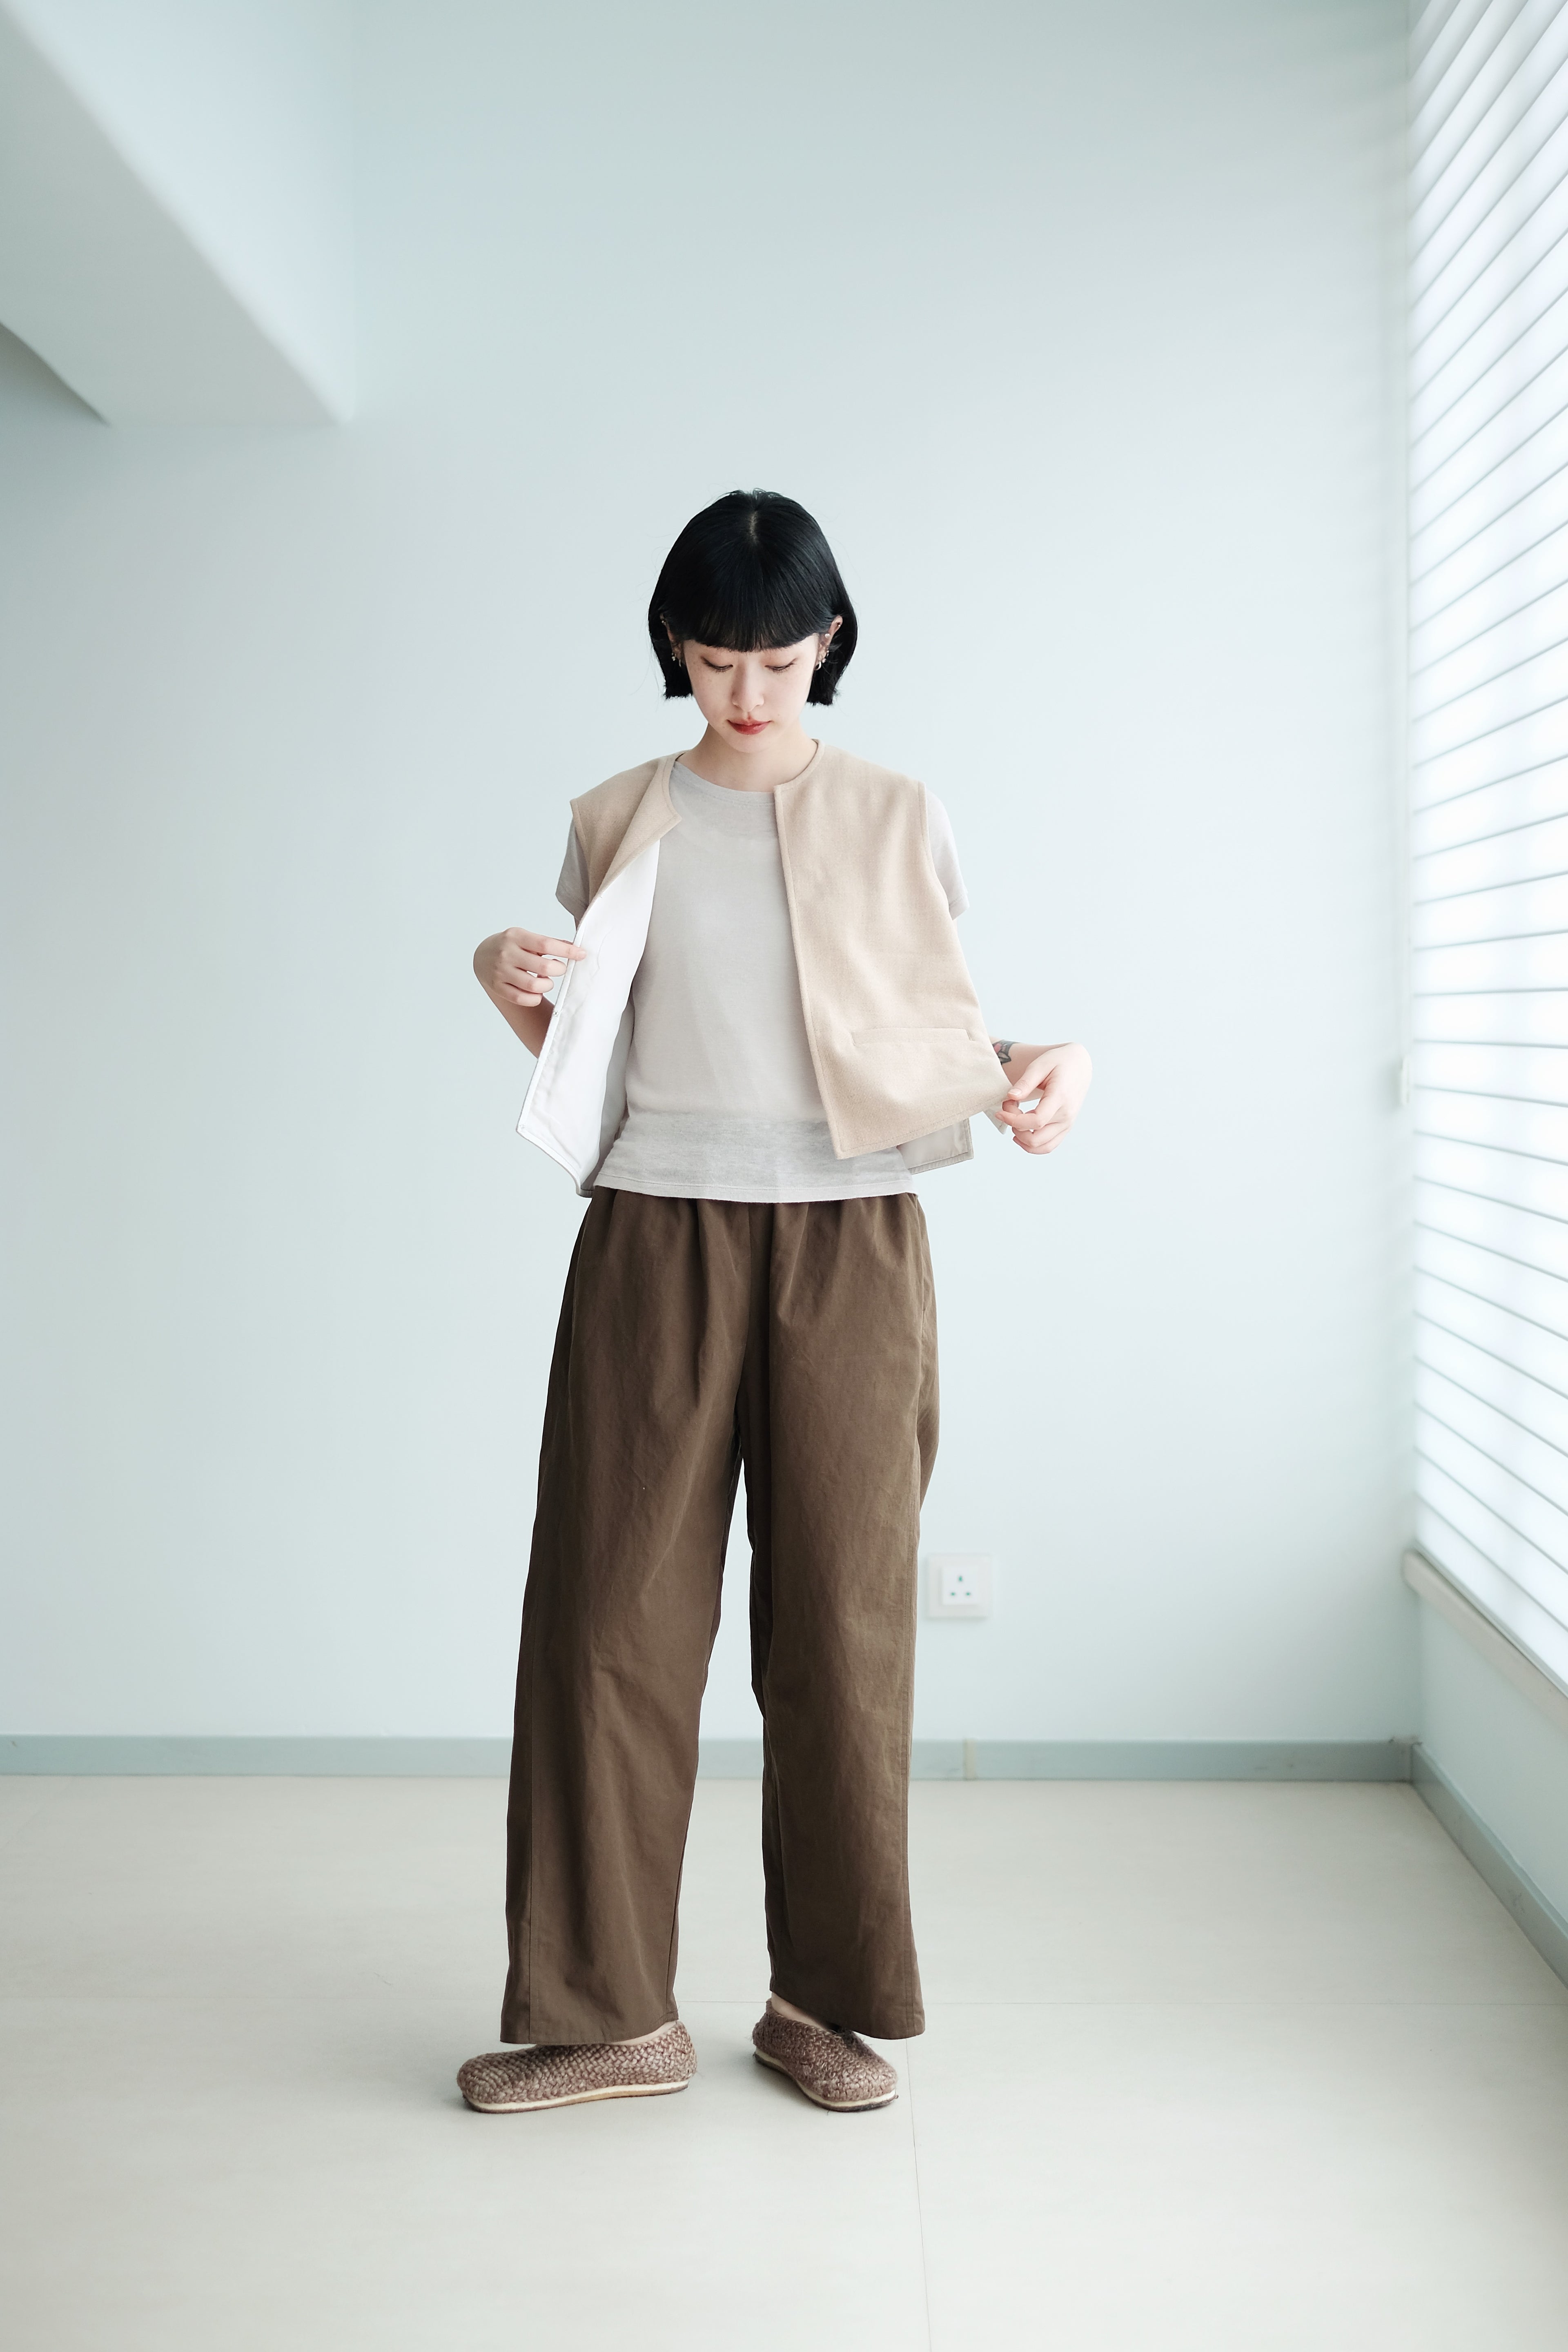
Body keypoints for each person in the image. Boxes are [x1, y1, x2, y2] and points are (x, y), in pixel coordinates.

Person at [457, 490, 1091, 2116]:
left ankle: (826, 2003)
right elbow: (594, 1054)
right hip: (654, 1235)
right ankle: (609, 2015)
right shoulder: (618, 818)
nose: (748, 691)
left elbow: (918, 1029)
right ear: (676, 647)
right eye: (718, 658)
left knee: (843, 1627)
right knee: (606, 1624)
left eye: (781, 659)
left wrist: (1045, 1059)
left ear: (829, 642)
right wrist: (500, 976)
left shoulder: (898, 813)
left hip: (853, 1242)